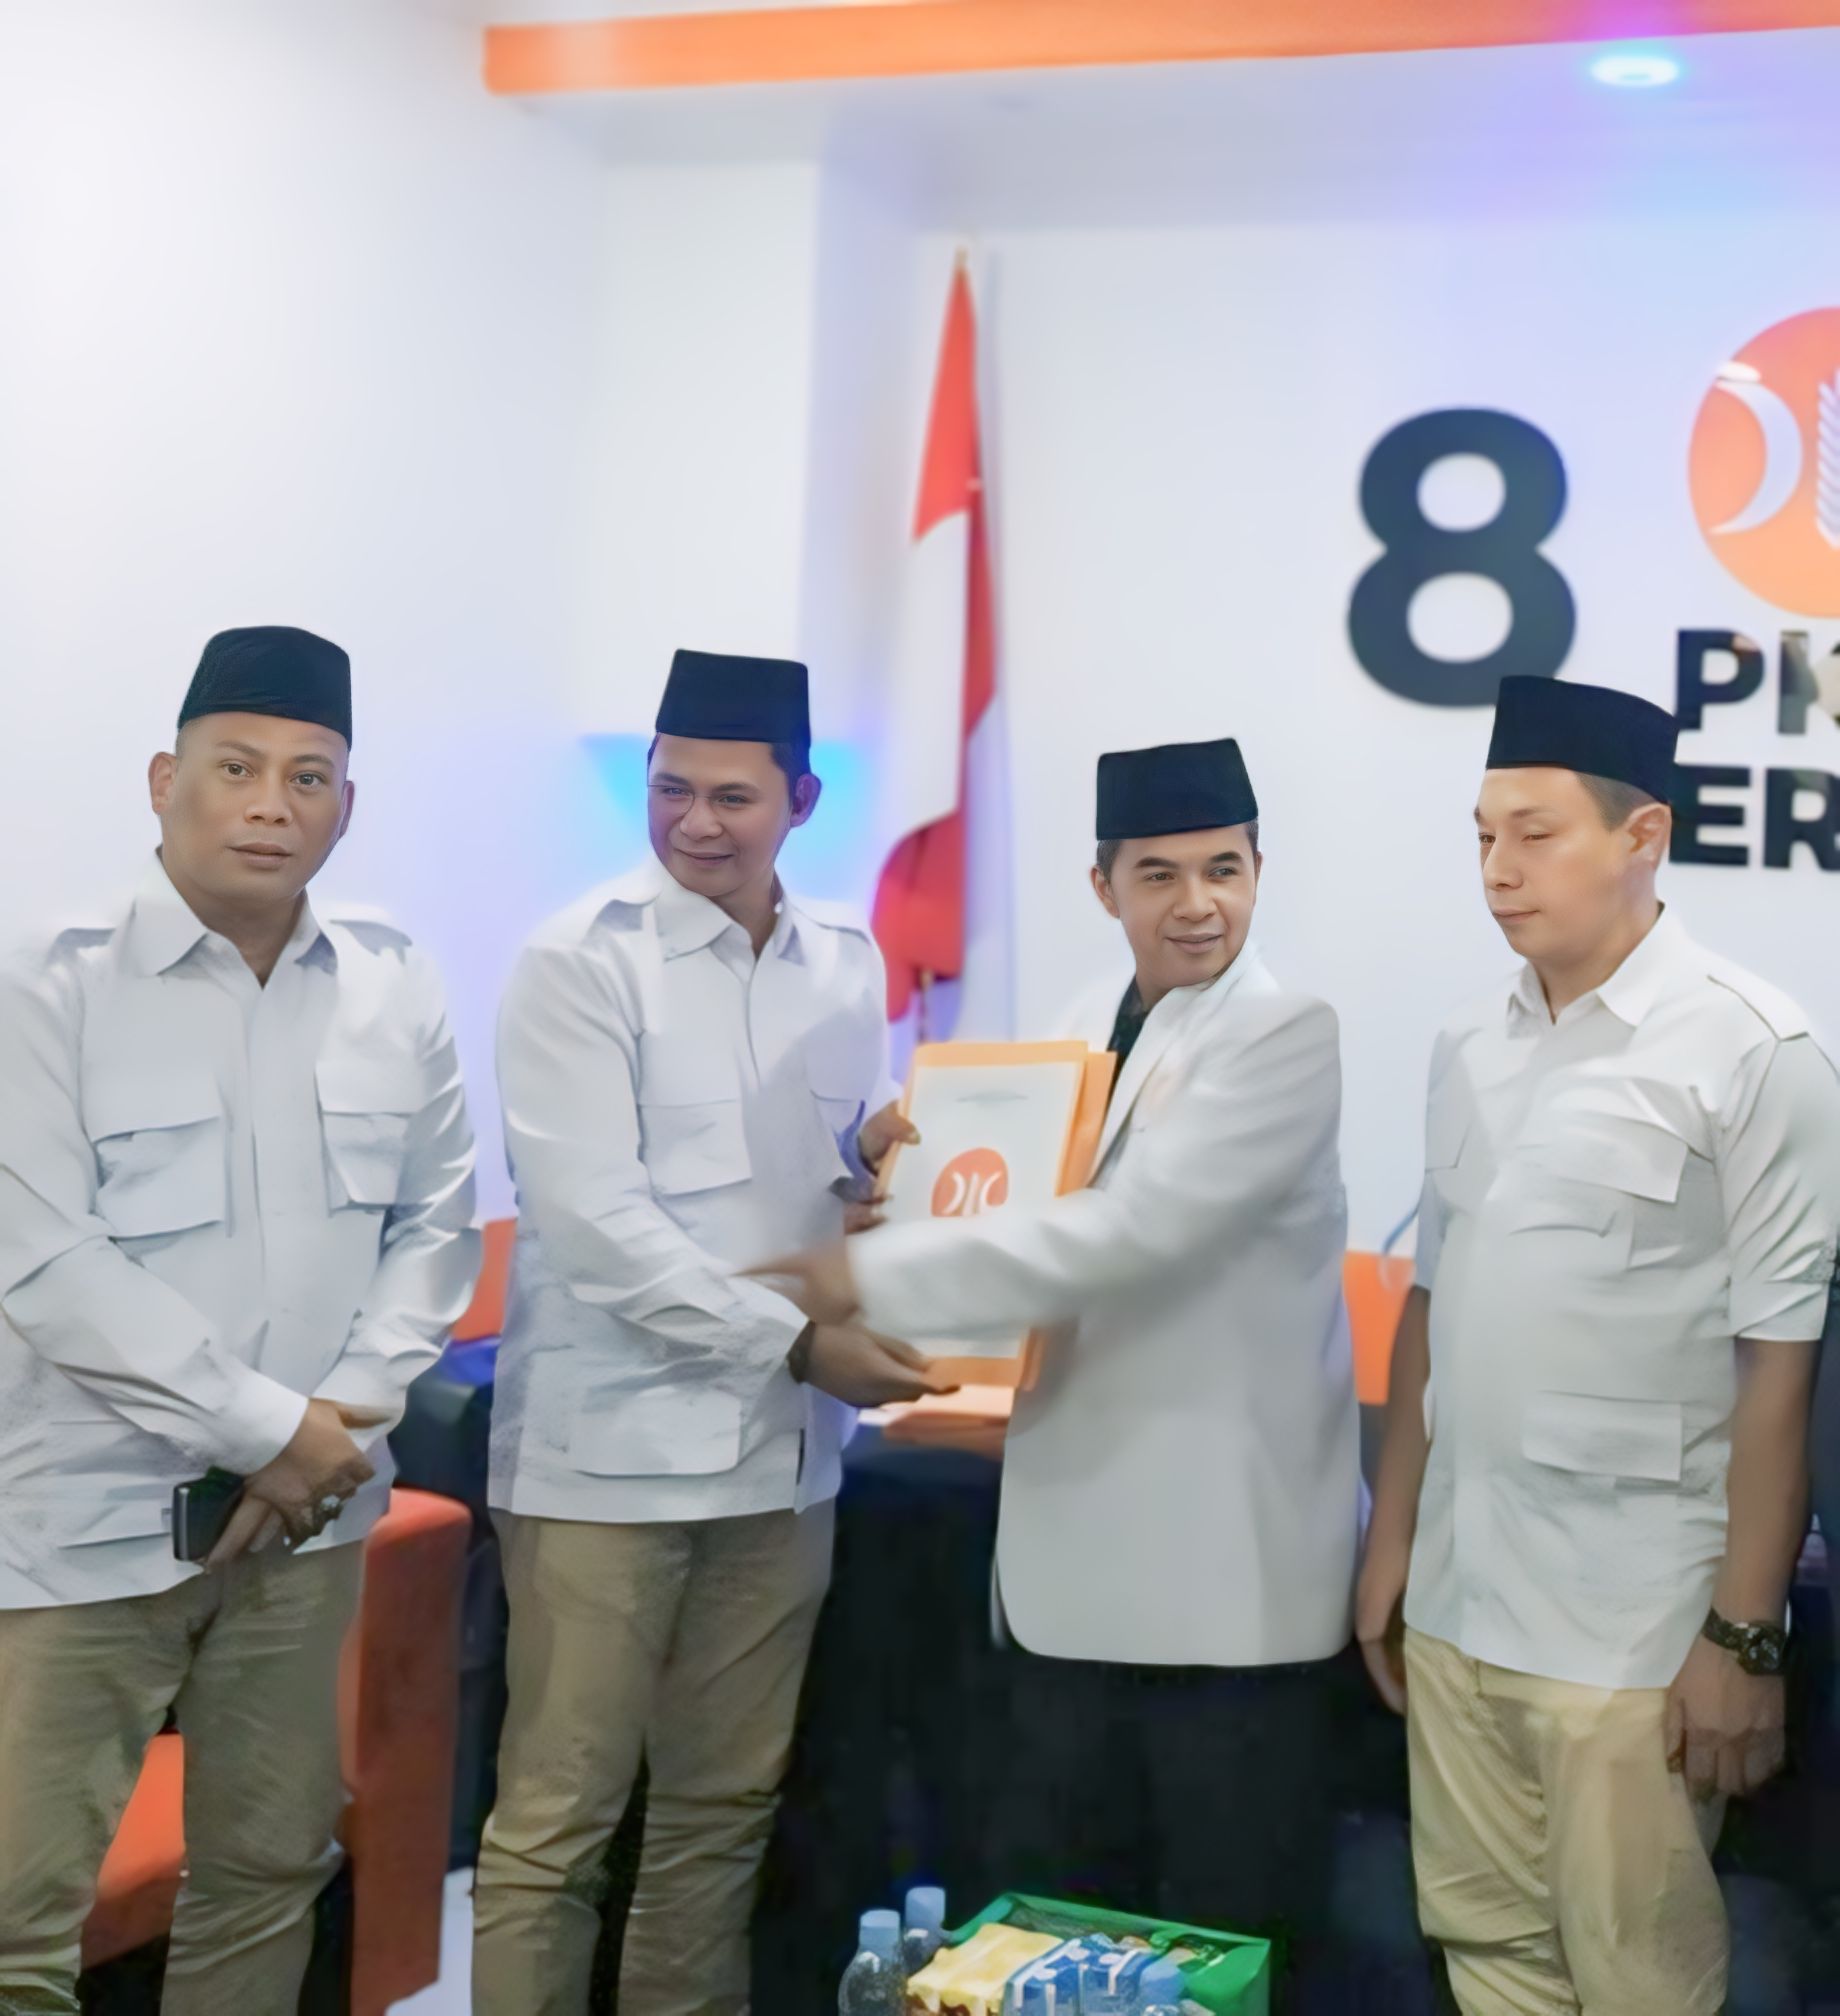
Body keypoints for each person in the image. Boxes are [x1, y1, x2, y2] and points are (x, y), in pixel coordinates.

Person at [760, 737, 1360, 1996]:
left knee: (1213, 1957)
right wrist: (899, 1195)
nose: (1197, 904)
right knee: (1056, 1944)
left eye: (1224, 870)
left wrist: (871, 1274)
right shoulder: (1081, 1021)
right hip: (1063, 1576)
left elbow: (1128, 1234)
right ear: (1104, 886)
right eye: (1159, 874)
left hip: (1222, 1591)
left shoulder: (1286, 1032)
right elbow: (1015, 1205)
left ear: (1259, 872)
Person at [0, 625, 480, 2015]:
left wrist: (339, 1423)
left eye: (308, 777)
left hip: (306, 1531)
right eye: (236, 767)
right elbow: (47, 1261)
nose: (272, 804)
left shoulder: (393, 981)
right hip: (88, 1526)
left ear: (346, 805)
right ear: (166, 782)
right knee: (20, 1914)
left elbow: (434, 1227)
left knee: (269, 1873)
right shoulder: (46, 982)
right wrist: (273, 1431)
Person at [473, 648, 946, 2016]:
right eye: (670, 789)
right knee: (555, 1827)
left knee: (719, 1814)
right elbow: (594, 1224)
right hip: (606, 1466)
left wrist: (884, 1179)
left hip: (782, 1465)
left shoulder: (846, 962)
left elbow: (835, 1184)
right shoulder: (578, 962)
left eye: (732, 796)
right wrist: (797, 1344)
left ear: (801, 799)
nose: (695, 822)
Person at [1357, 675, 1840, 2015]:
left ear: (1644, 837)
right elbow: (1433, 1306)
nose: (1498, 872)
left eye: (1536, 834)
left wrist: (1743, 1637)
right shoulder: (1467, 1043)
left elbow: (1781, 1370)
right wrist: (1392, 1541)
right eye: (1481, 837)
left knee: (1640, 1986)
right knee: (1491, 1964)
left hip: (1631, 1636)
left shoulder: (1755, 1052)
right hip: (1458, 1609)